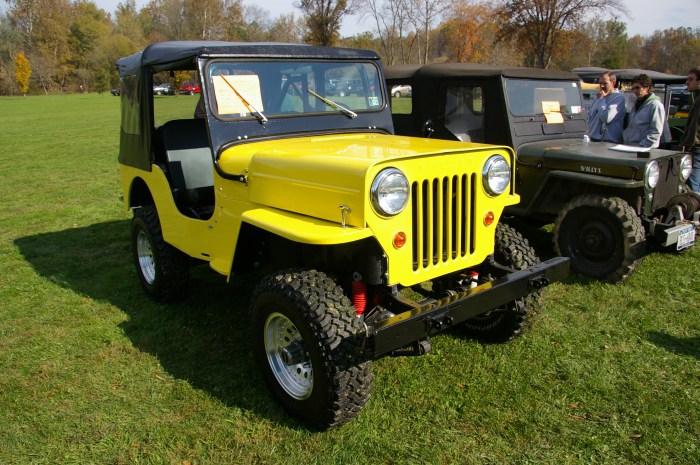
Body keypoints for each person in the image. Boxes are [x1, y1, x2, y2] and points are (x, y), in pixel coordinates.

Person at [622, 74, 666, 148]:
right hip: (630, 146)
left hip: (644, 150)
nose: (635, 91)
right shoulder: (637, 104)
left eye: (638, 88)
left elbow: (656, 132)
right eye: (633, 88)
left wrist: (642, 146)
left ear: (647, 88)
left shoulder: (655, 105)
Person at [587, 71, 625, 142]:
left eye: (605, 83)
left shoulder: (618, 98)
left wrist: (601, 100)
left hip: (608, 141)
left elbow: (606, 118)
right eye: (600, 83)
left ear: (613, 83)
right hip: (593, 139)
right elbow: (591, 116)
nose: (602, 86)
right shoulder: (599, 96)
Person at [680, 67, 700, 192]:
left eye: (691, 79)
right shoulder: (697, 98)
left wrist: (687, 144)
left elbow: (695, 127)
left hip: (696, 149)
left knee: (693, 186)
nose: (687, 82)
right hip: (695, 148)